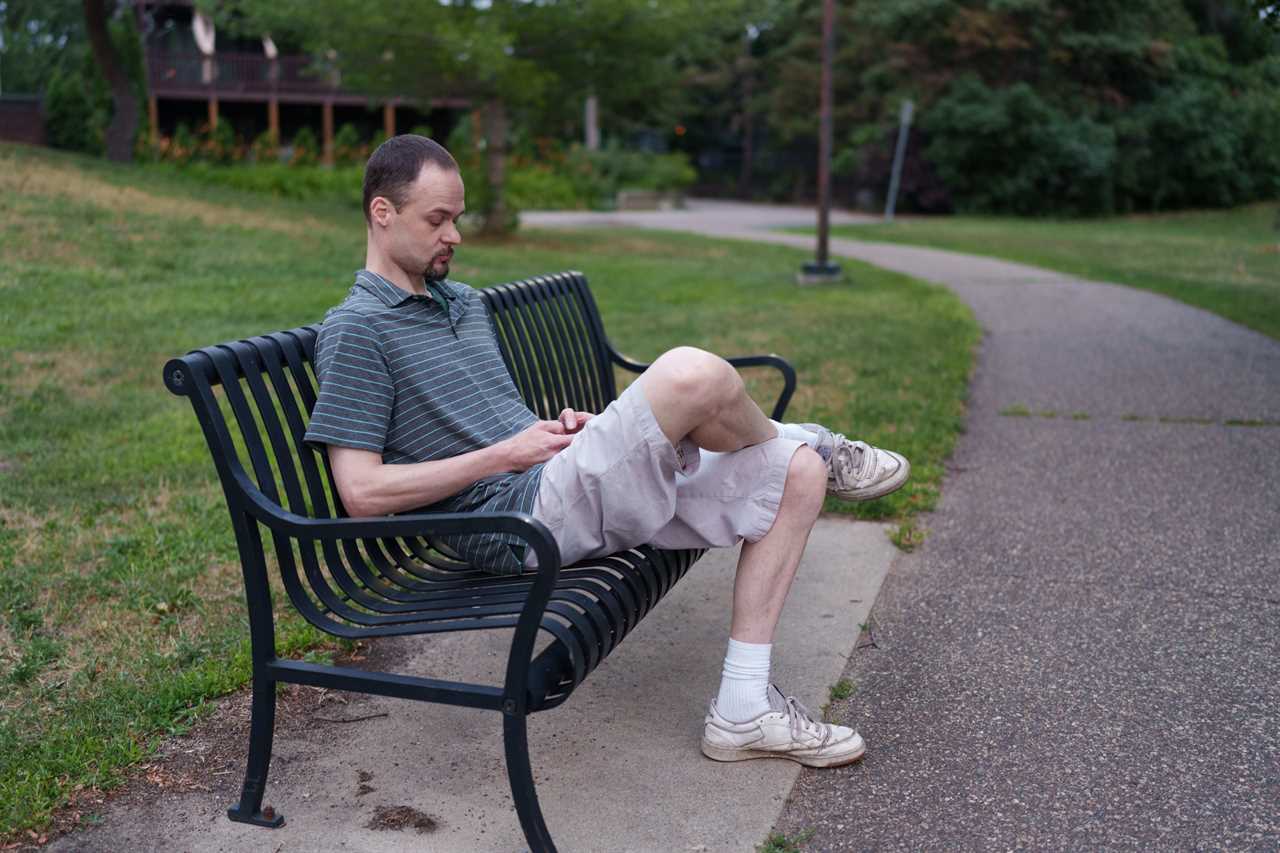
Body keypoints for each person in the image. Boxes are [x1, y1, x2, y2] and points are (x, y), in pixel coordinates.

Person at [303, 135, 910, 769]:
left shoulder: (463, 304)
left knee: (797, 476)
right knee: (689, 374)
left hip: (552, 480)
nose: (454, 234)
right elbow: (361, 493)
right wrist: (507, 454)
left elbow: (487, 424)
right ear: (382, 213)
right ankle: (813, 434)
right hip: (511, 521)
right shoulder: (356, 329)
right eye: (437, 219)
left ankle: (744, 709)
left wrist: (558, 430)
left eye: (457, 217)